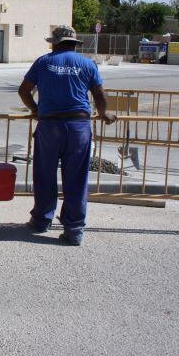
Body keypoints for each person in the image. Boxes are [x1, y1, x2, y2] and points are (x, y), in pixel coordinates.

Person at [18, 25, 116, 246]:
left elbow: (23, 91)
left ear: (55, 42)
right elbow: (99, 94)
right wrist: (103, 113)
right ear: (74, 44)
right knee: (77, 178)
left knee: (44, 173)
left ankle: (41, 219)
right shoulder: (87, 64)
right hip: (78, 126)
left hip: (50, 125)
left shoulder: (43, 62)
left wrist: (35, 109)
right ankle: (74, 230)